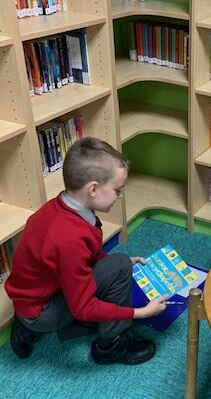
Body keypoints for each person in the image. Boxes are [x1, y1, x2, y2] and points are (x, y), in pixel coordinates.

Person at [6, 137, 167, 365]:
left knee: (118, 264)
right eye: (117, 190)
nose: (120, 196)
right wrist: (139, 313)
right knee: (119, 267)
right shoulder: (69, 238)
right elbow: (83, 308)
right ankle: (111, 345)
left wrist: (106, 263)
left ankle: (27, 325)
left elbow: (81, 256)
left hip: (32, 300)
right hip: (42, 311)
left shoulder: (60, 206)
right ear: (93, 189)